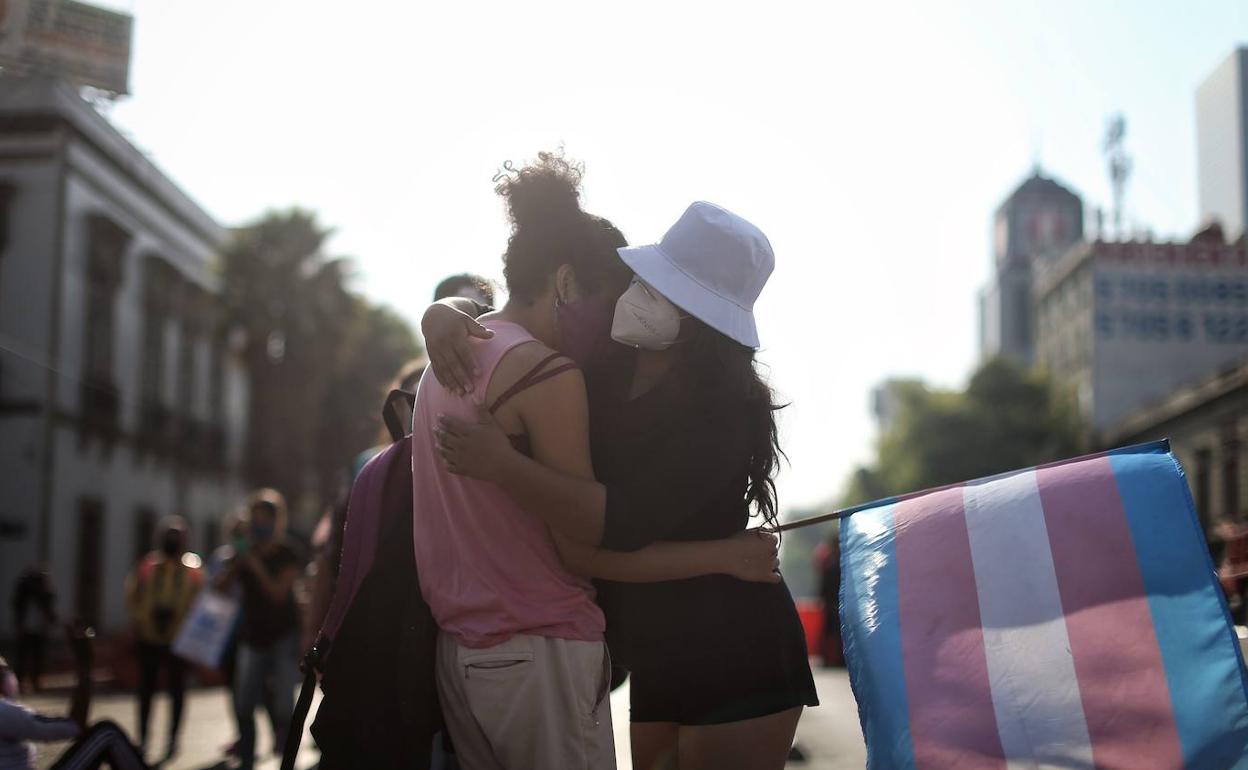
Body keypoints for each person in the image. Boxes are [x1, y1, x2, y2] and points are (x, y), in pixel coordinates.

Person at [411, 153, 783, 770]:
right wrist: (444, 311)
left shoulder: (713, 417)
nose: (626, 305)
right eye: (632, 286)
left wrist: (504, 462)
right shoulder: (579, 370)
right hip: (579, 650)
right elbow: (581, 546)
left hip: (719, 643)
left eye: (652, 289)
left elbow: (611, 527)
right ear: (565, 284)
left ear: (698, 321)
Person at [216, 489, 303, 770]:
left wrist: (255, 566)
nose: (260, 524)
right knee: (244, 703)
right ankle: (247, 759)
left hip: (282, 636)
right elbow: (221, 589)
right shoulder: (244, 552)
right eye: (255, 518)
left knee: (282, 705)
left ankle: (287, 759)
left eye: (265, 518)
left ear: (277, 521)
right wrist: (236, 554)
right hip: (251, 637)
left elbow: (278, 593)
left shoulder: (288, 552)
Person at [1, 629, 146, 770]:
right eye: (3, 674)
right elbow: (74, 726)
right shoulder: (4, 712)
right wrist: (85, 666)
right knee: (107, 734)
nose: (9, 678)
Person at [124, 516, 202, 760]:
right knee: (146, 689)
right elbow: (133, 594)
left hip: (179, 639)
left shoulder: (193, 569)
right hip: (149, 636)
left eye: (176, 538)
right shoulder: (148, 566)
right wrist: (141, 619)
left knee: (177, 690)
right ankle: (143, 737)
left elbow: (201, 603)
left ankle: (172, 738)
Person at [10, 568, 56, 695]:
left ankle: (35, 682)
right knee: (23, 657)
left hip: (38, 630)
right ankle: (20, 682)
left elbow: (50, 613)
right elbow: (18, 612)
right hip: (27, 630)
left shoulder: (45, 596)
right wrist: (19, 628)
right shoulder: (25, 595)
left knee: (37, 657)